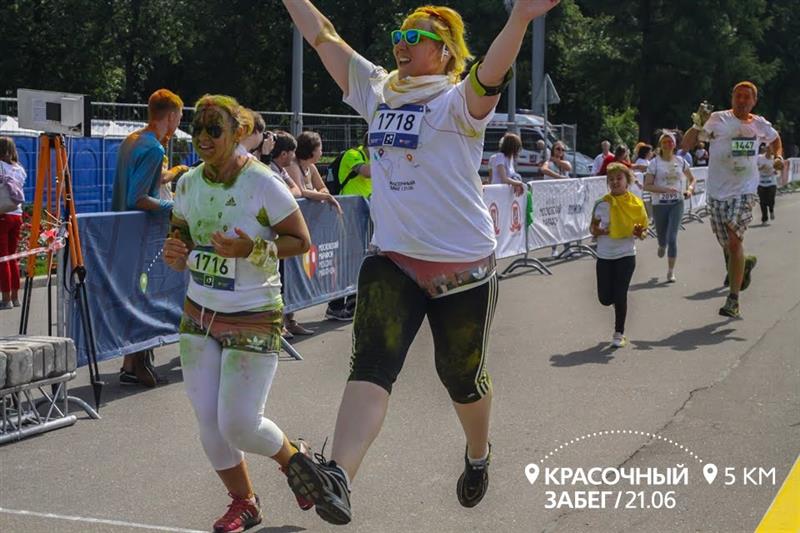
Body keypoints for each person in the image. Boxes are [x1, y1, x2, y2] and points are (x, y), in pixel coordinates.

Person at [281, 0, 562, 524]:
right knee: (370, 366)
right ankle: (339, 477)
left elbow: (492, 70)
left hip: (462, 268)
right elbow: (324, 37)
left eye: (415, 36)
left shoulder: (458, 101)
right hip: (394, 259)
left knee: (461, 377)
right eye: (398, 34)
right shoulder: (379, 90)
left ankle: (478, 455)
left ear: (446, 51)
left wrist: (521, 18)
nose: (401, 43)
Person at [162, 94, 313, 533]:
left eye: (215, 130)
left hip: (253, 315)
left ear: (239, 133)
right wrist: (175, 253)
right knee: (209, 424)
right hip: (199, 315)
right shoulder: (188, 184)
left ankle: (294, 460)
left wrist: (251, 249)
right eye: (198, 129)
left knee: (240, 425)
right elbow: (180, 239)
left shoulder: (263, 183)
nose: (203, 138)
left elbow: (301, 241)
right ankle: (244, 502)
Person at [682, 81, 783, 318]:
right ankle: (744, 263)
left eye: (747, 97)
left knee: (734, 240)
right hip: (717, 191)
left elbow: (775, 139)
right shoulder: (718, 119)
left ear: (754, 101)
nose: (742, 100)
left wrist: (778, 156)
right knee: (727, 244)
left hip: (745, 190)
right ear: (732, 98)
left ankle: (733, 300)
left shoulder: (760, 124)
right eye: (738, 96)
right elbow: (686, 145)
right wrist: (697, 123)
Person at [111, 88, 183, 387]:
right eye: (180, 117)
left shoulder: (132, 139)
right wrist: (174, 207)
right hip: (141, 234)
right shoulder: (153, 148)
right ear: (171, 116)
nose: (179, 122)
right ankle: (138, 365)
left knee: (134, 295)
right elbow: (138, 198)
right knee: (144, 296)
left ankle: (131, 365)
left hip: (123, 231)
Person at [589, 163, 648, 348]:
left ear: (627, 181)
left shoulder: (636, 204)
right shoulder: (601, 203)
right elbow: (592, 229)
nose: (615, 182)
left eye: (619, 178)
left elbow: (644, 232)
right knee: (605, 299)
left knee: (620, 293)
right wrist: (600, 231)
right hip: (604, 255)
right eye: (611, 179)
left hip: (626, 254)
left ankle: (619, 333)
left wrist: (640, 233)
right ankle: (618, 304)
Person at [325, 136, 372, 322]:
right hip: (348, 215)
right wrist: (387, 159)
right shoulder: (353, 154)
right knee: (345, 260)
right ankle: (335, 305)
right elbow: (366, 172)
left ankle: (353, 302)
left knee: (359, 259)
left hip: (364, 215)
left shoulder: (371, 158)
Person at [643, 132, 696, 282]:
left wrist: (689, 190)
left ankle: (670, 271)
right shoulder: (654, 163)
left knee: (672, 237)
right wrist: (664, 190)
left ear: (674, 144)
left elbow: (692, 179)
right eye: (664, 142)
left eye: (670, 142)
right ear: (660, 145)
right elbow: (647, 186)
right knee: (662, 238)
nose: (668, 144)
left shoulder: (680, 161)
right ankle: (661, 245)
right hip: (659, 204)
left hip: (677, 203)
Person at [288, 131, 343, 214]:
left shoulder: (311, 167)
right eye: (320, 150)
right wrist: (326, 197)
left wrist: (322, 193)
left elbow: (322, 188)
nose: (321, 153)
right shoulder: (292, 165)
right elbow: (301, 191)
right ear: (311, 151)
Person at [0, 137, 26, 310]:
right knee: (12, 257)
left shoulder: (0, 166)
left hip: (2, 214)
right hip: (17, 215)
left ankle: (6, 299)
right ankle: (15, 298)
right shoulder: (20, 169)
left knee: (2, 258)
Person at [541, 141, 573, 258]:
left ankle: (567, 248)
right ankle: (554, 249)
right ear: (553, 150)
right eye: (558, 149)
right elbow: (544, 169)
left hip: (564, 197)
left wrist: (557, 160)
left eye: (562, 150)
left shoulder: (564, 162)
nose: (560, 151)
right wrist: (558, 177)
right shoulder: (548, 163)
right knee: (554, 224)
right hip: (552, 198)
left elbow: (568, 167)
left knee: (565, 222)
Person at [756, 143, 779, 223]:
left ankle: (771, 210)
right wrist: (760, 168)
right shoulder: (759, 158)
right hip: (761, 182)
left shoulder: (775, 159)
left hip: (772, 182)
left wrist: (776, 172)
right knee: (762, 201)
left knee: (771, 199)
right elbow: (754, 168)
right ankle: (764, 218)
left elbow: (778, 170)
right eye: (768, 148)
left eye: (771, 148)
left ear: (772, 150)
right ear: (765, 149)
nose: (769, 150)